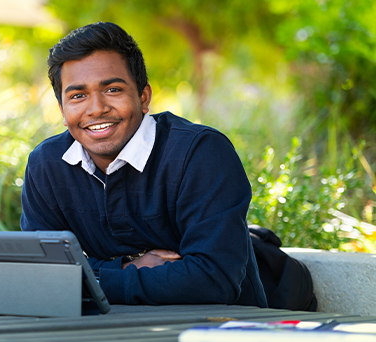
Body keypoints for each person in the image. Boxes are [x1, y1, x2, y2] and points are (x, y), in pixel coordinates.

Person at [20, 22, 268, 307]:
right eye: (78, 96)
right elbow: (43, 275)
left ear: (143, 97)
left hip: (219, 330)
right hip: (100, 333)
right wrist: (127, 269)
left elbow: (213, 280)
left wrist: (92, 281)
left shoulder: (200, 153)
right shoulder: (46, 165)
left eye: (112, 90)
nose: (96, 108)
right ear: (63, 111)